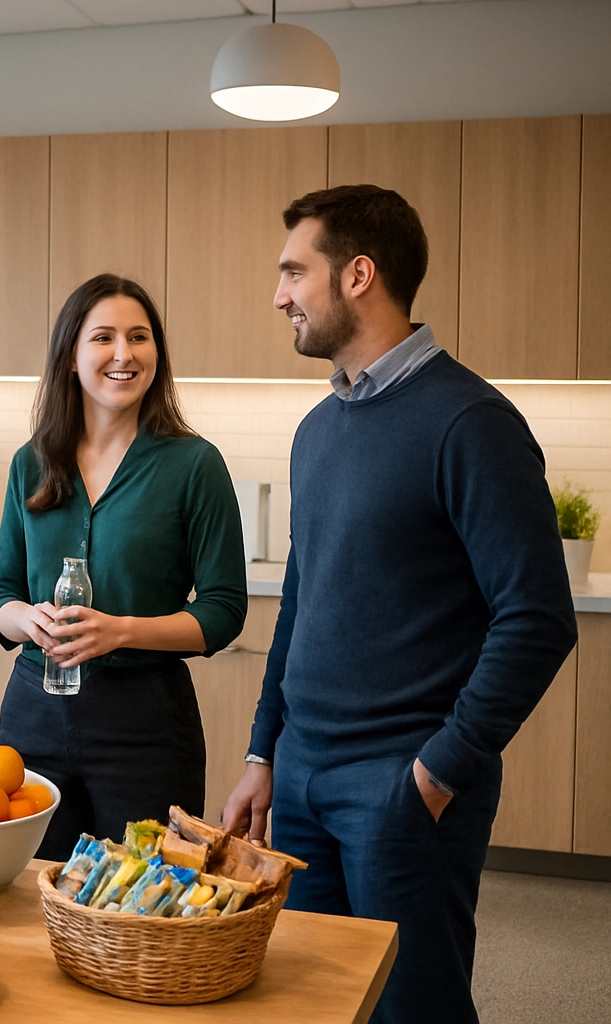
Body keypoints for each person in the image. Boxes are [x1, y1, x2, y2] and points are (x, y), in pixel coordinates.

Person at [221, 185, 578, 1024]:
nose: (278, 296)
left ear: (357, 275)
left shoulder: (472, 423)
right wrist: (264, 750)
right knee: (309, 1000)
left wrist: (436, 773)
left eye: (292, 272)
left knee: (412, 1007)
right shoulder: (318, 429)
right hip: (302, 781)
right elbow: (301, 605)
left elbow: (537, 618)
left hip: (401, 789)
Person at [0, 274, 248, 857]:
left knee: (143, 903)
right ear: (70, 356)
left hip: (146, 724)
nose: (124, 354)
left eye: (140, 337)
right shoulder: (33, 462)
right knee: (34, 898)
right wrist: (27, 620)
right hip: (34, 718)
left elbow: (224, 611)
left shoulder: (194, 465)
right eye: (103, 337)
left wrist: (120, 631)